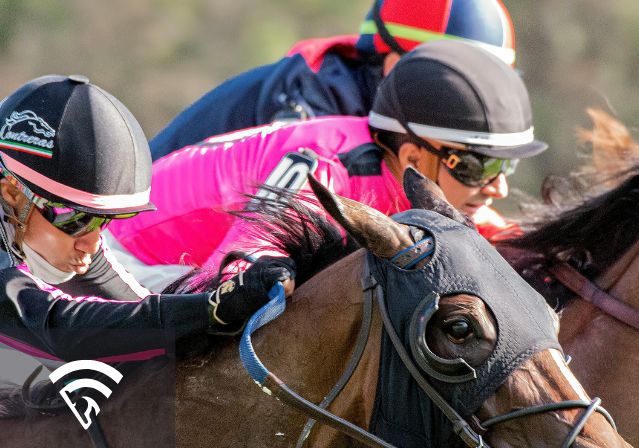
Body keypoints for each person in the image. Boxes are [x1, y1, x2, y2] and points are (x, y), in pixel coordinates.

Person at [108, 40, 546, 291]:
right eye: (478, 169)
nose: (498, 189)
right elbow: (231, 275)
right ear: (414, 157)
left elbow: (494, 232)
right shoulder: (328, 169)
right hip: (132, 255)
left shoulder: (413, 172)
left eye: (502, 169)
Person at [0, 75, 288, 365]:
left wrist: (229, 300)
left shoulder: (42, 222)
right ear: (11, 192)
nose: (90, 244)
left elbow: (138, 308)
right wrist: (211, 309)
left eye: (103, 222)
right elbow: (60, 328)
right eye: (76, 220)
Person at [148, 0, 516, 161]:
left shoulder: (373, 99)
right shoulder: (313, 108)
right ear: (393, 66)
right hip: (132, 247)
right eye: (461, 87)